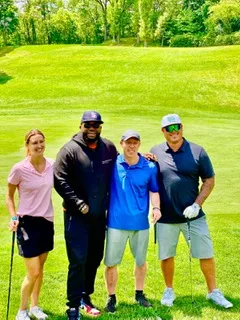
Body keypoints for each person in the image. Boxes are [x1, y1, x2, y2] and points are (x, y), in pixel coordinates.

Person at [150, 114, 233, 309]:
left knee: (205, 253)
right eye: (169, 128)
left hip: (194, 217)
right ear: (163, 131)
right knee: (166, 255)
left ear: (182, 127)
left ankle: (213, 292)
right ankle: (169, 290)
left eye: (177, 126)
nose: (174, 131)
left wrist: (197, 205)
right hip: (166, 217)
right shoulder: (155, 152)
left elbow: (209, 180)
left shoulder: (197, 151)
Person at [54, 111, 118, 320]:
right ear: (81, 125)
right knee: (78, 260)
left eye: (96, 124)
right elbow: (59, 180)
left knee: (94, 258)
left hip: (99, 217)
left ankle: (85, 296)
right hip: (76, 217)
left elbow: (121, 168)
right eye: (88, 124)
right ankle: (72, 305)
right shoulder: (69, 150)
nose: (92, 128)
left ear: (100, 126)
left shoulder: (108, 147)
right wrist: (79, 203)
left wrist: (144, 158)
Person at [104, 129, 161, 313]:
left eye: (135, 142)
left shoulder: (149, 167)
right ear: (121, 143)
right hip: (115, 223)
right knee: (111, 262)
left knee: (141, 261)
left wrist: (156, 208)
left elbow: (154, 190)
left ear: (139, 144)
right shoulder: (113, 164)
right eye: (128, 142)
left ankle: (139, 293)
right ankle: (111, 297)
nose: (131, 146)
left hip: (140, 224)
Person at [6, 129, 54, 320]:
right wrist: (12, 217)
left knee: (40, 269)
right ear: (27, 145)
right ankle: (22, 310)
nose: (39, 145)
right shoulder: (19, 168)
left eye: (41, 141)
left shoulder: (52, 164)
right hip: (27, 223)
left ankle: (35, 306)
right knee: (33, 271)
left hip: (47, 221)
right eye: (34, 142)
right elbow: (9, 196)